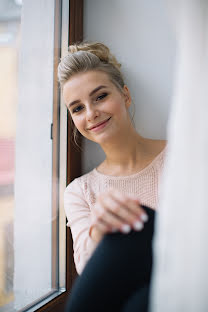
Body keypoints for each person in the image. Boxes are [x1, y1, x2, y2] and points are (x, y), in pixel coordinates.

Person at [58, 41, 167, 310]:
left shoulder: (184, 157)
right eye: (78, 108)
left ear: (126, 96)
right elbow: (89, 274)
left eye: (100, 96)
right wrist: (99, 230)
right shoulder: (79, 192)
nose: (91, 113)